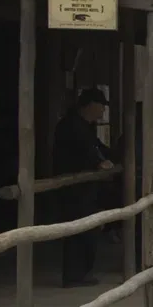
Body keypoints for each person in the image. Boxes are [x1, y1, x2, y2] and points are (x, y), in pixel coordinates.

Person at [52, 88, 114, 287]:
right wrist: (98, 163)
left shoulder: (87, 126)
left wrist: (114, 156)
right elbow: (84, 150)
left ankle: (82, 271)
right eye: (101, 105)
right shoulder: (71, 125)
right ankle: (74, 274)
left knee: (88, 228)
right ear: (90, 105)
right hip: (73, 186)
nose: (103, 110)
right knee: (77, 230)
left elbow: (97, 147)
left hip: (85, 186)